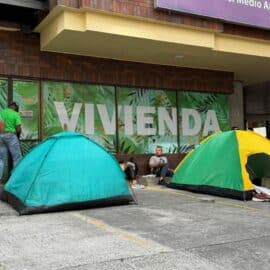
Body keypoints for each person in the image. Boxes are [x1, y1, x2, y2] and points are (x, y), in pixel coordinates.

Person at [0, 102, 22, 182]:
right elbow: (18, 128)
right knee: (17, 158)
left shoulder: (1, 112)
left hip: (0, 136)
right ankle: (15, 179)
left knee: (1, 159)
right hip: (11, 136)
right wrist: (18, 135)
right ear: (15, 108)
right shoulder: (15, 114)